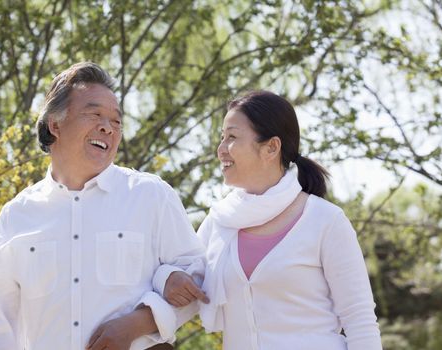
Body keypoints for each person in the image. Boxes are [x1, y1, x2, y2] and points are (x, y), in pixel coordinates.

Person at [0, 62, 208, 350]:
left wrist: (138, 323)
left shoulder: (151, 196)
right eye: (95, 114)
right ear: (55, 124)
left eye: (116, 121)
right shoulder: (17, 215)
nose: (107, 128)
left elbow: (197, 280)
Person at [162, 91, 382, 349]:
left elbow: (360, 319)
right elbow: (183, 282)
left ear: (271, 147)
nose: (221, 149)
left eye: (232, 137)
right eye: (222, 138)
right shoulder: (219, 222)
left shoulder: (326, 221)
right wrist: (165, 277)